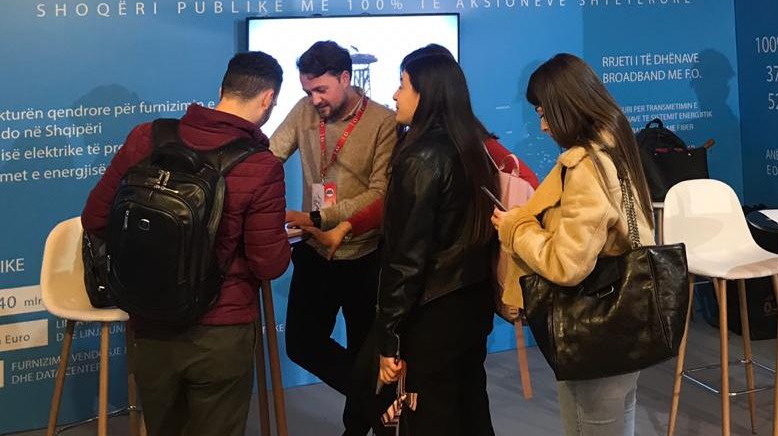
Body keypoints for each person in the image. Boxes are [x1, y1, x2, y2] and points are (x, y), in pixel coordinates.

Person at [81, 51, 291, 436]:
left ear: (222, 89)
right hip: (220, 333)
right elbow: (268, 264)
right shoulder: (261, 166)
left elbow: (94, 218)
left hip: (150, 324)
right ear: (268, 99)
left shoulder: (146, 137)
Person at [491, 53, 655, 436]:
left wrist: (515, 228)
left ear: (566, 106)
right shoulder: (617, 147)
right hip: (626, 321)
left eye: (544, 113)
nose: (544, 126)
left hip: (595, 332)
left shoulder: (585, 167)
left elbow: (568, 264)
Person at [366, 50, 499, 435]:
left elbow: (406, 258)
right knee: (470, 409)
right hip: (471, 302)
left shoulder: (422, 158)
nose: (395, 95)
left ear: (426, 93)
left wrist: (389, 336)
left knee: (430, 417)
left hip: (431, 313)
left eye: (402, 85)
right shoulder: (473, 146)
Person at [269, 40, 397, 399]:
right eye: (308, 91)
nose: (314, 100)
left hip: (364, 255)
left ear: (345, 78)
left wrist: (317, 216)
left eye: (321, 90)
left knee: (364, 349)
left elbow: (380, 193)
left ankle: (366, 415)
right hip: (314, 250)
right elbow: (270, 156)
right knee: (302, 344)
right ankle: (378, 403)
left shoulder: (382, 122)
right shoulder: (304, 112)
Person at [329, 43, 539, 245]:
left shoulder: (439, 152)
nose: (395, 95)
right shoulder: (459, 141)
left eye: (403, 85)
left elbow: (528, 182)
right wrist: (350, 225)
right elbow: (402, 201)